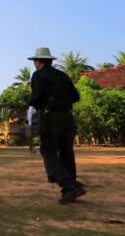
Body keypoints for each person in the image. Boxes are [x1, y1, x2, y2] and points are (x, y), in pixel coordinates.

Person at [28, 47, 85, 204]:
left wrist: (34, 104)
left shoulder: (38, 75)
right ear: (50, 61)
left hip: (50, 118)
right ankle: (70, 188)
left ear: (38, 61)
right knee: (67, 152)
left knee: (49, 152)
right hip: (67, 118)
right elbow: (76, 96)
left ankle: (70, 186)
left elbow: (37, 97)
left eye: (35, 61)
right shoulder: (63, 76)